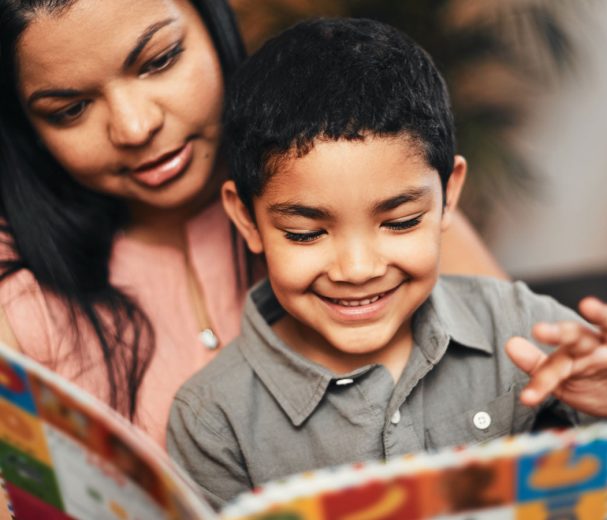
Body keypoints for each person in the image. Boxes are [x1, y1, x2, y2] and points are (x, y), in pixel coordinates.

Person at [166, 18, 607, 509]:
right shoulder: (212, 420)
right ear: (246, 220)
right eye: (305, 233)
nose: (357, 268)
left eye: (400, 222)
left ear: (448, 196)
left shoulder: (518, 326)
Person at [0, 0, 503, 446]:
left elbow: (524, 391)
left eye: (160, 60)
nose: (135, 127)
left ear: (214, 23)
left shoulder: (383, 206)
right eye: (71, 109)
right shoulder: (14, 289)